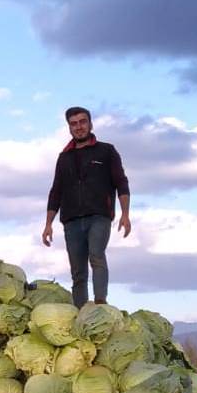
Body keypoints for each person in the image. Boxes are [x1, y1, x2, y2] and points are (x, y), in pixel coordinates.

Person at [42, 106, 131, 306]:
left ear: (90, 124)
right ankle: (81, 312)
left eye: (82, 122)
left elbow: (121, 182)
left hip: (99, 216)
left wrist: (125, 214)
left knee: (96, 256)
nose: (79, 127)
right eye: (74, 124)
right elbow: (56, 191)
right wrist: (48, 224)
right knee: (77, 272)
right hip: (71, 220)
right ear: (69, 128)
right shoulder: (64, 158)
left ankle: (100, 305)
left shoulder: (106, 151)